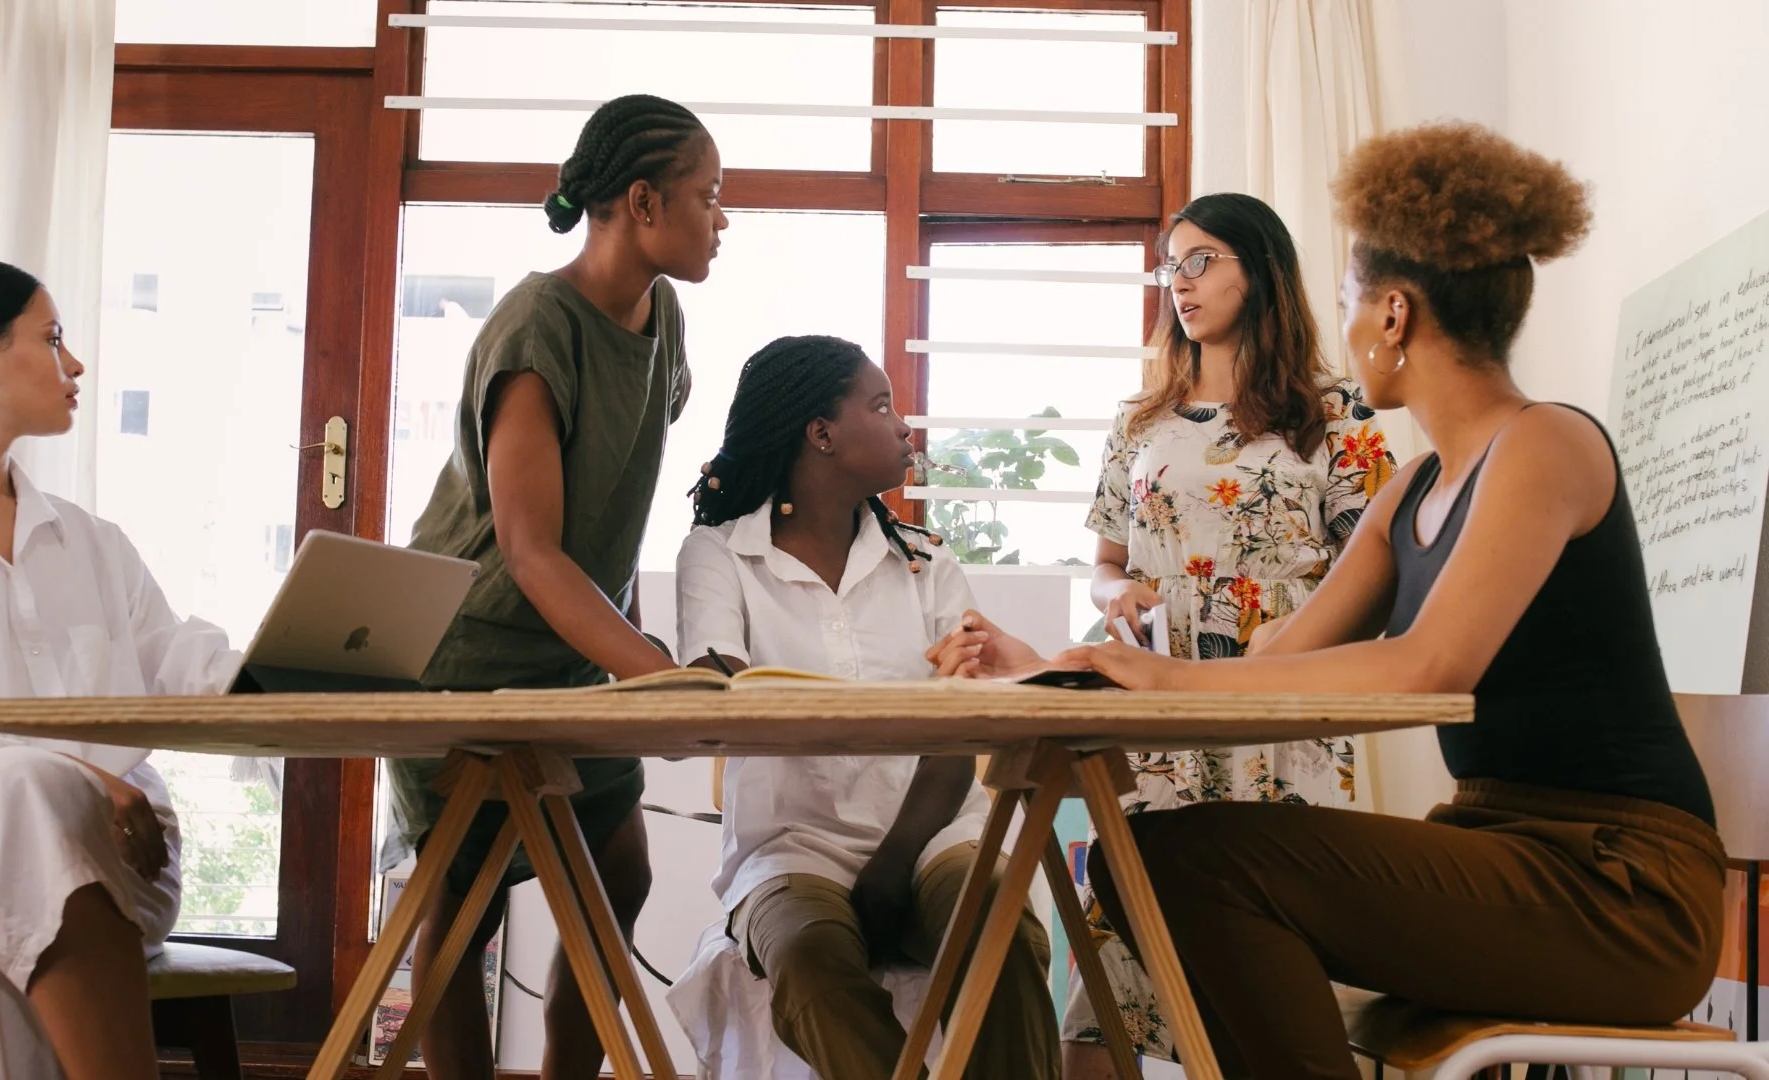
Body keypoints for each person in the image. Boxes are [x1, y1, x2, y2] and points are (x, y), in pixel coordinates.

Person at [1042, 122, 1722, 1078]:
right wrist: (1063, 678)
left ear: (1394, 316)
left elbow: (1428, 667)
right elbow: (1278, 667)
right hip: (1504, 852)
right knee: (1150, 855)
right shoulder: (1412, 489)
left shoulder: (1544, 444)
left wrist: (1155, 677)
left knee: (1189, 865)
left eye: (1354, 302)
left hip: (1617, 889)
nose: (1348, 327)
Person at [386, 94, 726, 1079]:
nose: (721, 219)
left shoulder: (663, 317)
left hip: (571, 651)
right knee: (465, 905)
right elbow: (532, 551)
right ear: (642, 201)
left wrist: (632, 661)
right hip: (467, 652)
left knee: (618, 876)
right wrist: (657, 676)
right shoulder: (536, 327)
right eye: (709, 197)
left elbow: (611, 516)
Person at [0, 257, 240, 1080]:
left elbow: (185, 664)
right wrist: (80, 778)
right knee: (23, 793)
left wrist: (311, 667)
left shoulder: (92, 543)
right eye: (52, 338)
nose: (77, 365)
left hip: (118, 862)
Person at [1065, 192, 1394, 1073]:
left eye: (1203, 258)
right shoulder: (1139, 423)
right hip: (1161, 719)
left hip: (1283, 717)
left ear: (1263, 269)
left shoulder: (1340, 416)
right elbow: (1102, 565)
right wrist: (1116, 595)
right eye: (1172, 264)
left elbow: (1380, 573)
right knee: (1112, 978)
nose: (1182, 281)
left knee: (1272, 986)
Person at [673, 335, 1059, 1080]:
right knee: (812, 971)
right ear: (821, 434)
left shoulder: (927, 562)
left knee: (1004, 943)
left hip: (935, 838)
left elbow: (960, 740)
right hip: (790, 849)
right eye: (881, 406)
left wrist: (889, 873)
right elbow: (722, 701)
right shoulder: (719, 556)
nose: (903, 424)